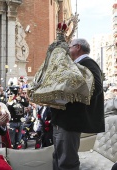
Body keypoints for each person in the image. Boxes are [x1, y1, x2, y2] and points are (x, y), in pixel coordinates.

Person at [51, 38, 105, 170]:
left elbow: (96, 87)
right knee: (59, 157)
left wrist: (64, 98)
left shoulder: (88, 63)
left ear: (78, 47)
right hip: (64, 121)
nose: (68, 50)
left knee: (67, 162)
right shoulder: (78, 64)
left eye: (70, 47)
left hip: (70, 121)